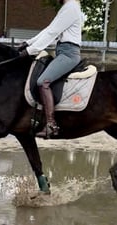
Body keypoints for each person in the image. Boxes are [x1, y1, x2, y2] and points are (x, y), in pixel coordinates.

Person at [18, 0, 84, 138]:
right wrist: (28, 42)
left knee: (43, 82)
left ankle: (51, 125)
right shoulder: (68, 7)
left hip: (68, 54)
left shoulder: (71, 7)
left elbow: (53, 32)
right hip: (63, 52)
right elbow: (49, 29)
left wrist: (31, 50)